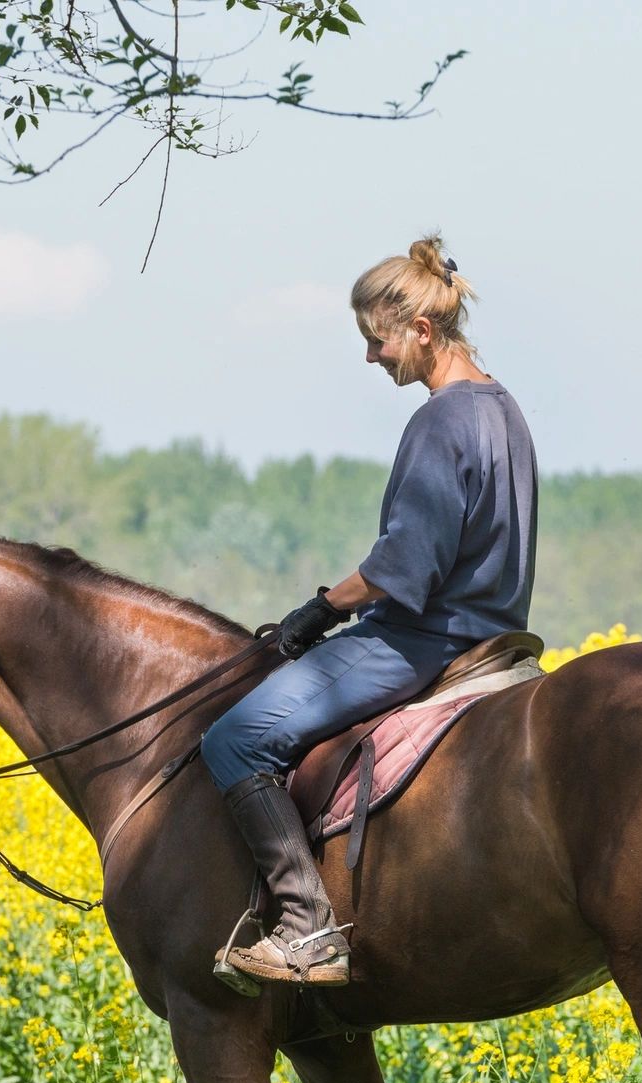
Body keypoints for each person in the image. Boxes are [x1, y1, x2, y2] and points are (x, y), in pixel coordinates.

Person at [200, 235, 539, 989]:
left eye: (375, 341)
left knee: (233, 743)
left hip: (422, 640)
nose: (370, 359)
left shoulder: (442, 421)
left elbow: (401, 568)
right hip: (495, 634)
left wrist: (318, 611)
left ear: (420, 331)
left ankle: (307, 928)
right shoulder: (504, 408)